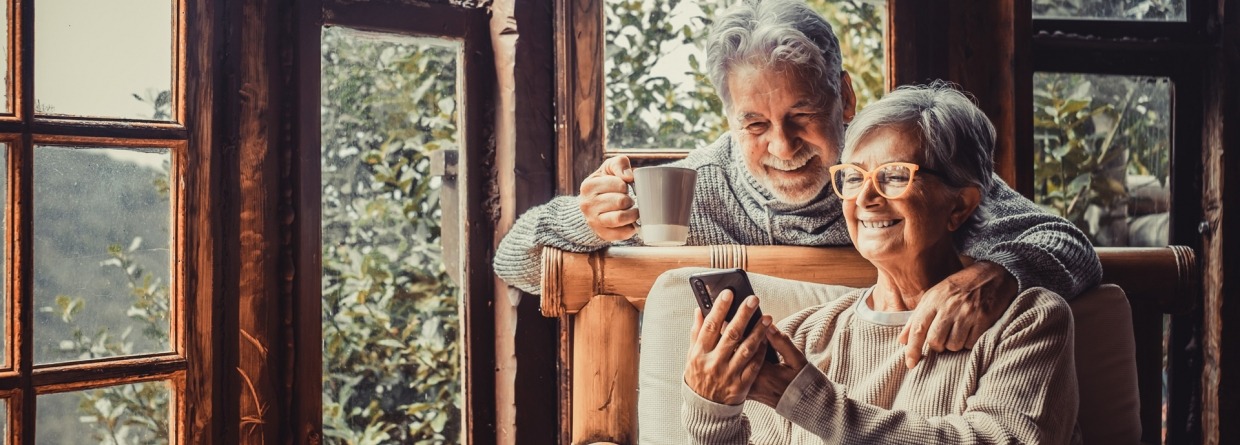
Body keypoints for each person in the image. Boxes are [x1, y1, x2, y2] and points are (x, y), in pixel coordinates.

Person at [494, 0, 1101, 365]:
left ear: (846, 100)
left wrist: (999, 274)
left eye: (802, 117)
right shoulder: (689, 192)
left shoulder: (903, 172)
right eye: (755, 124)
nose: (782, 147)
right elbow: (513, 259)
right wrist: (583, 219)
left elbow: (1069, 244)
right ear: (729, 120)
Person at [682, 82, 1081, 444]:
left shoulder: (1028, 321)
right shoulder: (802, 337)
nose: (866, 198)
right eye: (853, 177)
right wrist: (711, 412)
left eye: (892, 176)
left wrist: (814, 405)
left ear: (958, 205)